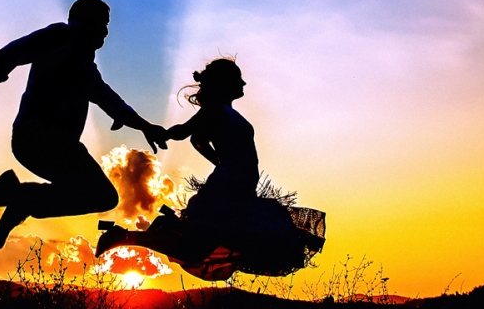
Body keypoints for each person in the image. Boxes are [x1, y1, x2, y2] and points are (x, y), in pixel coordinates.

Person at [0, 0, 168, 247]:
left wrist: (145, 126)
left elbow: (111, 102)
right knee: (101, 195)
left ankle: (20, 197)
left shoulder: (86, 69)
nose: (106, 31)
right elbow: (11, 53)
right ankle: (18, 196)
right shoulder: (60, 36)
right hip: (39, 138)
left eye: (107, 25)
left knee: (100, 196)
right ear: (85, 22)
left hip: (54, 145)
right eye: (102, 23)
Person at [94, 57, 325, 280]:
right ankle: (125, 236)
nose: (243, 83)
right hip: (227, 189)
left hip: (237, 188)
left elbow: (198, 140)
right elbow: (185, 132)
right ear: (224, 83)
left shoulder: (225, 112)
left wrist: (219, 161)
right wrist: (158, 132)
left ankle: (125, 236)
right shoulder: (214, 110)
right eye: (238, 79)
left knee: (196, 249)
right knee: (199, 248)